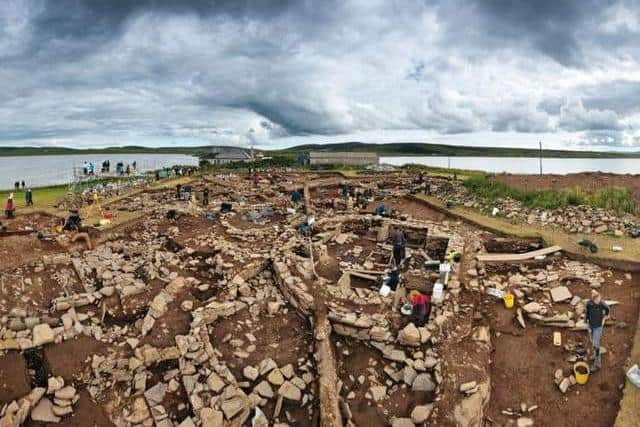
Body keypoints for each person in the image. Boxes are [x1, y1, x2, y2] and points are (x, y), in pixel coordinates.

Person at [586, 290, 610, 372]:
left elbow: (607, 309)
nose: (598, 300)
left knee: (596, 346)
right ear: (593, 299)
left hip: (598, 327)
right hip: (591, 325)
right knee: (592, 341)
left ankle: (597, 365)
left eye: (599, 298)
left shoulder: (602, 304)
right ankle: (594, 355)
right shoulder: (589, 303)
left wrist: (604, 318)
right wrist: (588, 324)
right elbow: (587, 314)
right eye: (596, 300)